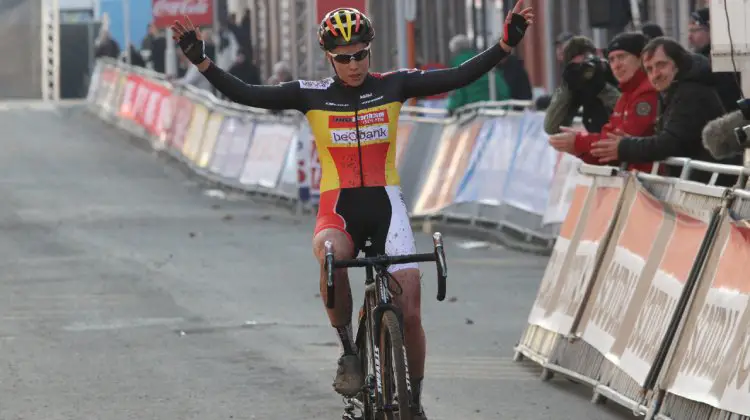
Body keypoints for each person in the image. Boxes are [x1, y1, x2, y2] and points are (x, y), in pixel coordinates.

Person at [170, 2, 533, 418]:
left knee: (411, 307)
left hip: (386, 203)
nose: (354, 64)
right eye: (344, 58)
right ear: (330, 58)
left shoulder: (393, 85)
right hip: (338, 206)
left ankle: (412, 400)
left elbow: (456, 76)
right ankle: (349, 353)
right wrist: (202, 61)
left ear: (369, 51)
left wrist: (505, 45)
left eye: (361, 54)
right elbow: (248, 94)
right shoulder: (310, 94)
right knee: (330, 257)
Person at [591, 37, 742, 186]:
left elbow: (671, 142)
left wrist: (626, 147)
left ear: (678, 65)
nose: (655, 74)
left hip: (708, 188)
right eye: (649, 69)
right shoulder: (675, 90)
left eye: (661, 65)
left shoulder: (691, 92)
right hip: (700, 184)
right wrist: (629, 143)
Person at [548, 32, 658, 172]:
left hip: (649, 182)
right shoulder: (626, 94)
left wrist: (579, 142)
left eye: (622, 57)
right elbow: (608, 145)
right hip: (634, 180)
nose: (616, 65)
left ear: (641, 59)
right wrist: (576, 146)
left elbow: (621, 144)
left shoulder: (647, 91)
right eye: (612, 59)